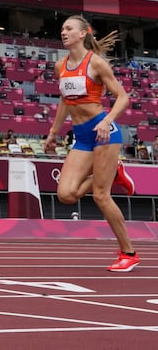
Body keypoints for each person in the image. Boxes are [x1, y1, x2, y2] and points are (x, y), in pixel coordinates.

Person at [43, 15, 138, 272]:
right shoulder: (60, 66)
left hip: (104, 133)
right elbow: (65, 100)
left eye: (69, 28)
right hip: (82, 135)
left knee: (101, 195)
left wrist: (107, 120)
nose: (63, 32)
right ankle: (113, 170)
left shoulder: (96, 63)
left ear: (83, 33)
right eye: (62, 28)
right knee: (66, 195)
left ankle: (128, 252)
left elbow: (122, 97)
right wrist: (53, 132)